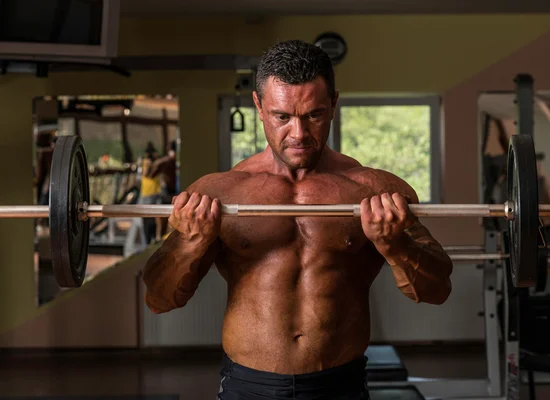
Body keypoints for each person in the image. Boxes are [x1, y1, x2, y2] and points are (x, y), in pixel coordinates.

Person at [142, 40, 453, 400]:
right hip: (249, 387)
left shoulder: (376, 190)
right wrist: (188, 242)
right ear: (258, 106)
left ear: (334, 104)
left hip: (340, 385)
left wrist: (393, 243)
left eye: (314, 115)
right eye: (282, 117)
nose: (299, 134)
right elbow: (159, 299)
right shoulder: (218, 194)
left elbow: (437, 290)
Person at [147, 140, 179, 240]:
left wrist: (152, 163)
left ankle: (159, 240)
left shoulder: (165, 162)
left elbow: (150, 175)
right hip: (175, 193)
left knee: (162, 226)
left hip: (171, 194)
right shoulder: (169, 161)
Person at [139, 142, 161, 244]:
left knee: (155, 217)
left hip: (154, 192)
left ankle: (155, 237)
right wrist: (149, 164)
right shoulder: (146, 162)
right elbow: (146, 174)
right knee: (147, 218)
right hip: (147, 192)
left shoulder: (157, 162)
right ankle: (148, 240)